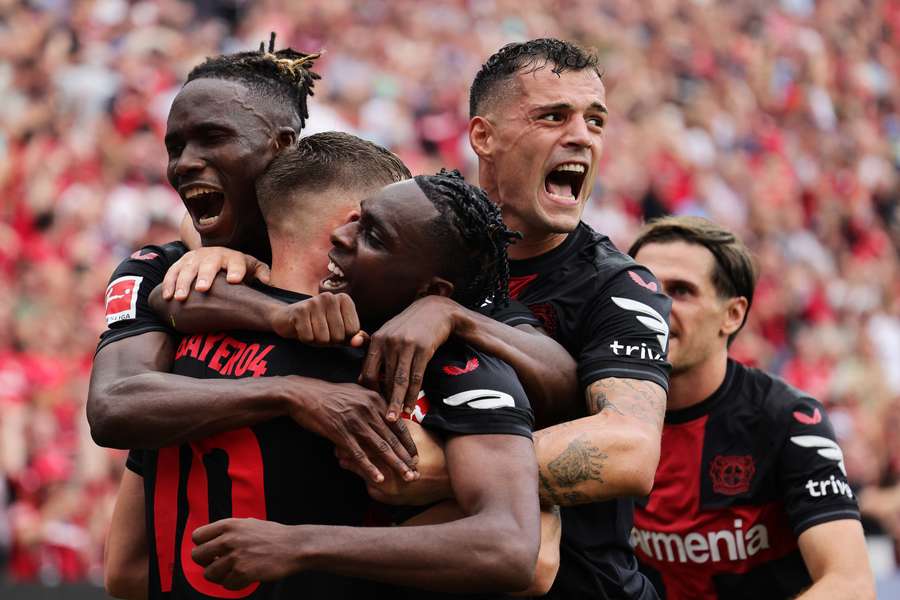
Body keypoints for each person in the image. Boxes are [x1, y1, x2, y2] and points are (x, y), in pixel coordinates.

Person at [163, 38, 671, 599]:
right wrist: (217, 249)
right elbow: (305, 217)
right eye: (554, 116)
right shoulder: (416, 216)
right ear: (484, 136)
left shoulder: (619, 284)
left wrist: (447, 466)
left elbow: (630, 450)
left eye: (595, 120)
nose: (581, 135)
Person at [148, 159, 542, 598]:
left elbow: (508, 547)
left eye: (373, 236)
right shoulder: (308, 312)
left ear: (432, 292)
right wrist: (278, 317)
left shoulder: (463, 367)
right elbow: (167, 301)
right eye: (359, 216)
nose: (341, 235)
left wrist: (300, 545)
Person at [628, 216, 875, 599]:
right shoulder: (598, 406)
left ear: (733, 314)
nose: (656, 305)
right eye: (644, 287)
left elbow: (851, 583)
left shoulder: (789, 420)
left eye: (681, 291)